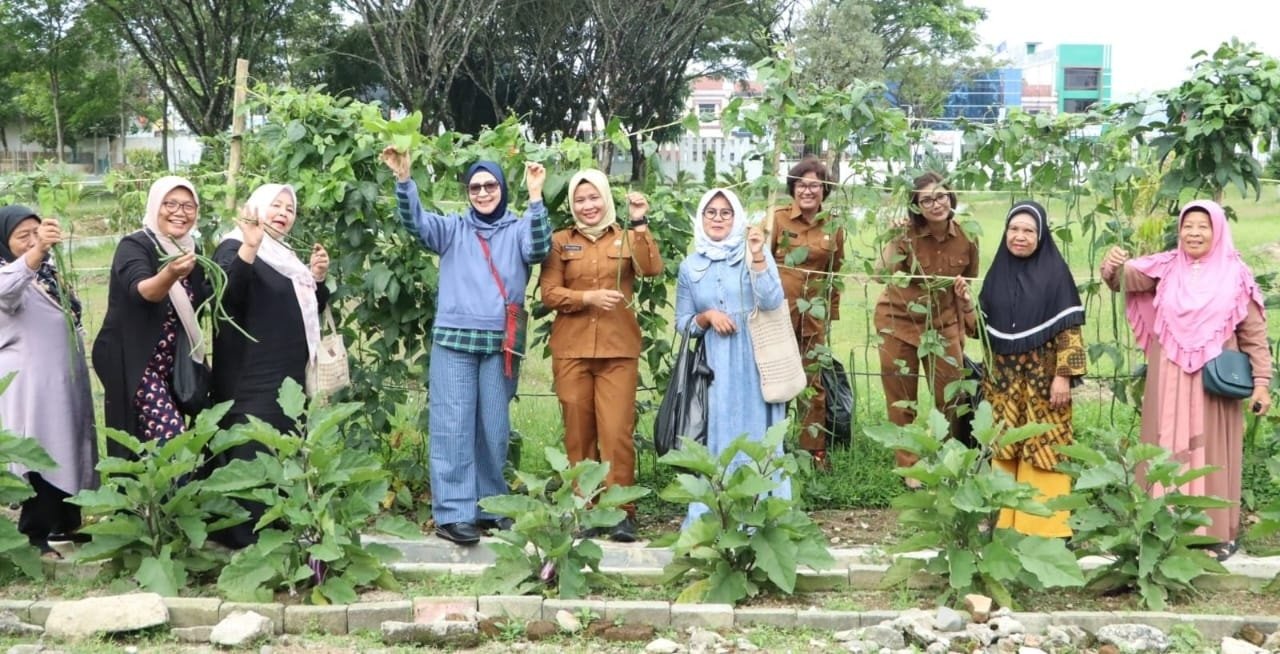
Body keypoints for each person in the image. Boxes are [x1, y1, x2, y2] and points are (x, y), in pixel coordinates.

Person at [381, 147, 550, 546]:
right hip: (454, 341)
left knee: (493, 426)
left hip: (501, 343)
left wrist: (537, 195)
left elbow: (539, 247)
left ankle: (490, 505)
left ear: (502, 188)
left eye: (490, 185)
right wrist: (405, 180)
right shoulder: (453, 229)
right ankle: (454, 513)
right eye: (475, 187)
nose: (483, 192)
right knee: (452, 425)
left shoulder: (518, 227)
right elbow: (416, 224)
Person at [1102, 200, 1272, 561]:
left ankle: (1213, 535)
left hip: (1213, 383)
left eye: (1203, 226)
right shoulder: (1165, 268)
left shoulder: (1236, 275)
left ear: (1218, 231)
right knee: (1165, 444)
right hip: (1169, 379)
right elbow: (1122, 279)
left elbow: (1255, 334)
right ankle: (1160, 525)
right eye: (1188, 225)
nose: (1194, 233)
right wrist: (1113, 263)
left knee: (1210, 451)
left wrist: (1261, 382)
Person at [538, 169, 662, 543]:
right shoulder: (561, 242)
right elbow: (549, 293)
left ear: (606, 198)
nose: (588, 206)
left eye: (594, 198)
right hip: (572, 349)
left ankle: (620, 512)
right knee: (578, 433)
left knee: (616, 432)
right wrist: (586, 298)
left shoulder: (626, 236)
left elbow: (652, 269)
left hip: (617, 349)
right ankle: (585, 508)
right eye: (580, 199)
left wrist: (639, 221)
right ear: (572, 204)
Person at [206, 183, 331, 549]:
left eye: (290, 208)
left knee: (281, 448)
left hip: (286, 373)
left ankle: (278, 530)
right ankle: (243, 539)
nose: (283, 213)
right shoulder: (234, 246)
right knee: (251, 449)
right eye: (275, 205)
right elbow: (227, 298)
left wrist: (317, 279)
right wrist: (250, 246)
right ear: (256, 208)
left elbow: (301, 307)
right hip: (251, 376)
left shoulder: (284, 256)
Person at [675, 188, 791, 527]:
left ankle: (764, 518)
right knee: (721, 435)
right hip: (717, 367)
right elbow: (683, 323)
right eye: (711, 212)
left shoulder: (754, 253)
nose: (718, 219)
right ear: (701, 217)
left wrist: (757, 255)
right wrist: (707, 316)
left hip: (756, 361)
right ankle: (719, 519)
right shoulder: (690, 266)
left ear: (736, 217)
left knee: (760, 438)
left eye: (726, 213)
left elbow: (771, 300)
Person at [978, 201, 1086, 538]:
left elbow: (1070, 330)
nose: (1019, 237)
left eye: (1028, 231)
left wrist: (1063, 376)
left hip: (1045, 386)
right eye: (1014, 229)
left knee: (1044, 446)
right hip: (1005, 384)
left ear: (1041, 237)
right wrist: (962, 304)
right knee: (1005, 444)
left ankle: (1045, 528)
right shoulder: (996, 275)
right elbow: (979, 329)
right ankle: (1005, 525)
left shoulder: (1056, 275)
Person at [0, 205, 98, 558]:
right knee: (39, 447)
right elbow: (8, 292)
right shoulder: (7, 275)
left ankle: (65, 524)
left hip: (63, 376)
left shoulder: (47, 272)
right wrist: (38, 249)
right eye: (22, 236)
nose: (32, 241)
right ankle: (34, 534)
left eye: (37, 232)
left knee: (68, 443)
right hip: (32, 382)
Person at [93, 177, 211, 454]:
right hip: (134, 359)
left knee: (158, 440)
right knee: (171, 439)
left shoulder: (192, 251)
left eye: (188, 206)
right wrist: (169, 274)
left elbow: (203, 300)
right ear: (155, 205)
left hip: (172, 361)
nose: (179, 212)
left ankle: (159, 496)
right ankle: (166, 494)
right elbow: (143, 291)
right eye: (170, 204)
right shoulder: (135, 246)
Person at [873, 172, 978, 479]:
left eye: (941, 196)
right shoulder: (906, 235)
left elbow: (967, 284)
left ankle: (948, 461)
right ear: (916, 207)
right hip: (898, 322)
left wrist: (961, 330)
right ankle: (910, 468)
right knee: (902, 399)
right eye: (927, 200)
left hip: (942, 324)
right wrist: (894, 239)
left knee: (952, 395)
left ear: (951, 197)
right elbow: (882, 274)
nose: (936, 205)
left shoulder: (967, 236)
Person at [769, 157, 845, 468]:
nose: (808, 190)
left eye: (815, 185)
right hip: (777, 315)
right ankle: (772, 451)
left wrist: (830, 313)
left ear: (824, 189)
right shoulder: (777, 219)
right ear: (793, 188)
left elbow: (835, 273)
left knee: (812, 382)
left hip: (813, 317)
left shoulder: (834, 225)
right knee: (774, 380)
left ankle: (814, 452)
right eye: (802, 184)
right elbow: (759, 263)